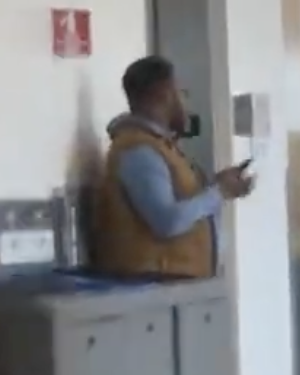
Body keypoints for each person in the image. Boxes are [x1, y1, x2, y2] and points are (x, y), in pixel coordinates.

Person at [91, 55, 253, 279]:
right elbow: (167, 221)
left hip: (175, 285)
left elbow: (181, 203)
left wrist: (217, 185)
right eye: (181, 93)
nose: (184, 102)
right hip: (154, 287)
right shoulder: (138, 151)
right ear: (162, 94)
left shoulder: (161, 147)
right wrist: (219, 192)